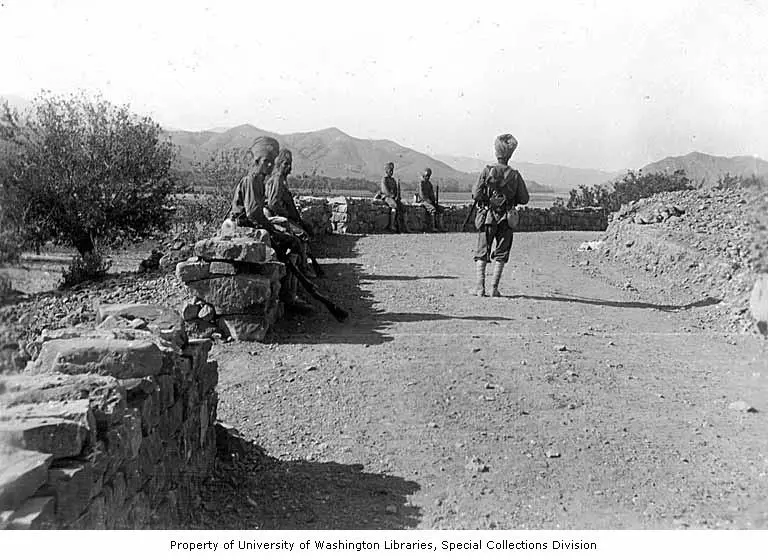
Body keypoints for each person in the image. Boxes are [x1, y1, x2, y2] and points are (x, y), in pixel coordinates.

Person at [470, 134, 529, 297]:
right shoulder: (515, 175)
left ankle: (480, 288)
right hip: (506, 219)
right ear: (510, 155)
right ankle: (493, 288)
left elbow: (476, 193)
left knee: (482, 250)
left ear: (497, 153)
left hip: (488, 216)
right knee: (502, 253)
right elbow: (524, 198)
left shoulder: (487, 170)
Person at [264, 149, 323, 277]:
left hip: (283, 216)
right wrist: (286, 214)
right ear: (279, 164)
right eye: (285, 164)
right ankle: (302, 268)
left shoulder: (280, 179)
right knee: (301, 235)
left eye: (289, 164)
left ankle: (303, 265)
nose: (288, 167)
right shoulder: (278, 178)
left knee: (305, 230)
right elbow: (273, 203)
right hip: (277, 217)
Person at [377, 162, 408, 233]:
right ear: (386, 171)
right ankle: (392, 225)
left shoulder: (393, 180)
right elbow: (385, 191)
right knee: (394, 206)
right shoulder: (384, 179)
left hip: (393, 197)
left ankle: (404, 226)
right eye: (390, 170)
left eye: (392, 170)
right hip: (386, 197)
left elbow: (396, 190)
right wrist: (392, 196)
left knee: (403, 208)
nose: (391, 172)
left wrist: (397, 196)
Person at [418, 167, 445, 232]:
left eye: (429, 176)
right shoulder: (421, 183)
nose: (428, 177)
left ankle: (440, 226)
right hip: (423, 201)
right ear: (424, 175)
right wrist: (428, 200)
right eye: (427, 176)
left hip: (430, 201)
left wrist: (433, 200)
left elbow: (432, 194)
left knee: (441, 209)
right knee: (432, 209)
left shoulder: (429, 184)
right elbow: (422, 195)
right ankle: (432, 227)